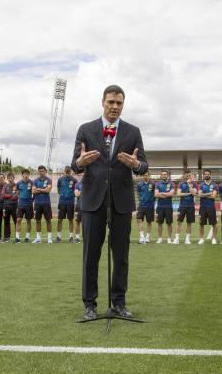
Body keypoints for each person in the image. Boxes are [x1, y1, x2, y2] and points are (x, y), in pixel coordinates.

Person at [71, 84, 148, 320]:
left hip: (121, 203)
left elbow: (144, 165)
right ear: (102, 102)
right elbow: (74, 163)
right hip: (93, 201)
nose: (115, 107)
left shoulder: (133, 132)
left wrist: (135, 165)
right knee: (90, 255)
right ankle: (90, 304)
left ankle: (118, 303)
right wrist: (81, 162)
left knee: (121, 256)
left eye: (119, 103)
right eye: (111, 102)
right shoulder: (86, 129)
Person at [32, 165, 54, 244]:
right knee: (38, 221)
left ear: (45, 171)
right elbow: (33, 191)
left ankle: (49, 238)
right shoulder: (35, 180)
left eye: (42, 171)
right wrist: (42, 190)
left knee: (48, 220)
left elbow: (48, 190)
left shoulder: (49, 180)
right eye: (40, 171)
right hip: (37, 203)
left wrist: (39, 189)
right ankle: (38, 239)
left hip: (46, 203)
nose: (41, 172)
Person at [56, 166, 78, 243]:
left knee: (70, 219)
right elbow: (58, 189)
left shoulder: (74, 180)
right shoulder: (60, 179)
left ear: (70, 171)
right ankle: (58, 236)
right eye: (66, 171)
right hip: (62, 202)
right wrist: (62, 195)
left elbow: (76, 190)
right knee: (59, 219)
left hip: (70, 202)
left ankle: (71, 237)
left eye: (69, 171)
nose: (67, 173)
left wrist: (71, 195)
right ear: (64, 171)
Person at [175, 170, 197, 245]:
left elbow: (194, 193)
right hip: (182, 206)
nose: (188, 176)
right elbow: (178, 194)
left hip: (191, 206)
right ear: (185, 176)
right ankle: (177, 238)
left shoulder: (194, 184)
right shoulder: (181, 184)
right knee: (179, 222)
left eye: (189, 175)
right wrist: (188, 193)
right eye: (187, 175)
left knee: (189, 223)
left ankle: (187, 239)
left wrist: (190, 186)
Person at [197, 169, 218, 245]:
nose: (206, 175)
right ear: (203, 175)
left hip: (211, 207)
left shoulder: (214, 185)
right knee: (201, 223)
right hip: (202, 207)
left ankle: (214, 238)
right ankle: (201, 239)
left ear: (210, 175)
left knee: (214, 223)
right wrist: (209, 193)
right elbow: (199, 195)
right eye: (205, 174)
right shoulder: (200, 185)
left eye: (208, 174)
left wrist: (204, 195)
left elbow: (213, 196)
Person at [154, 170, 175, 244]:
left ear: (167, 175)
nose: (164, 176)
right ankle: (160, 238)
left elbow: (171, 194)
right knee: (159, 223)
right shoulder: (158, 184)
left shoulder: (171, 183)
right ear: (161, 175)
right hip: (160, 207)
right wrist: (166, 194)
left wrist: (161, 193)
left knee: (169, 223)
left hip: (168, 207)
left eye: (165, 174)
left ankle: (169, 238)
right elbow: (156, 195)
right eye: (162, 174)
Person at [14, 169, 35, 244]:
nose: (26, 175)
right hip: (21, 204)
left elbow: (34, 192)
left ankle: (27, 237)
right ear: (22, 175)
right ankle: (17, 238)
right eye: (24, 174)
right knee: (18, 220)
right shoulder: (19, 183)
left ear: (29, 175)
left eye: (27, 174)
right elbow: (15, 192)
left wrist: (32, 200)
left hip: (29, 204)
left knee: (28, 220)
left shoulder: (32, 183)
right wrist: (19, 196)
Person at [136, 172, 155, 244]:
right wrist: (141, 199)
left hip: (150, 205)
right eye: (144, 175)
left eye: (147, 175)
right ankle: (141, 237)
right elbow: (138, 193)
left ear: (149, 176)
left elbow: (154, 193)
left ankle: (147, 237)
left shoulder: (153, 184)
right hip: (142, 205)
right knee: (139, 219)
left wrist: (152, 200)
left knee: (149, 221)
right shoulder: (140, 184)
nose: (145, 176)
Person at [1, 172, 18, 243]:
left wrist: (10, 196)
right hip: (6, 206)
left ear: (13, 178)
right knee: (6, 222)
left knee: (16, 221)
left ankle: (17, 237)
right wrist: (10, 195)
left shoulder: (17, 185)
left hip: (14, 205)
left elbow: (16, 196)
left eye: (11, 177)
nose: (10, 179)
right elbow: (2, 195)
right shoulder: (5, 186)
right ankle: (6, 237)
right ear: (7, 179)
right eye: (8, 178)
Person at [73, 178, 83, 243]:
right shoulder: (78, 184)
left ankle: (86, 237)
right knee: (77, 221)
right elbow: (76, 194)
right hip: (78, 206)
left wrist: (80, 192)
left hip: (89, 207)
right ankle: (77, 238)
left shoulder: (91, 183)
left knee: (87, 222)